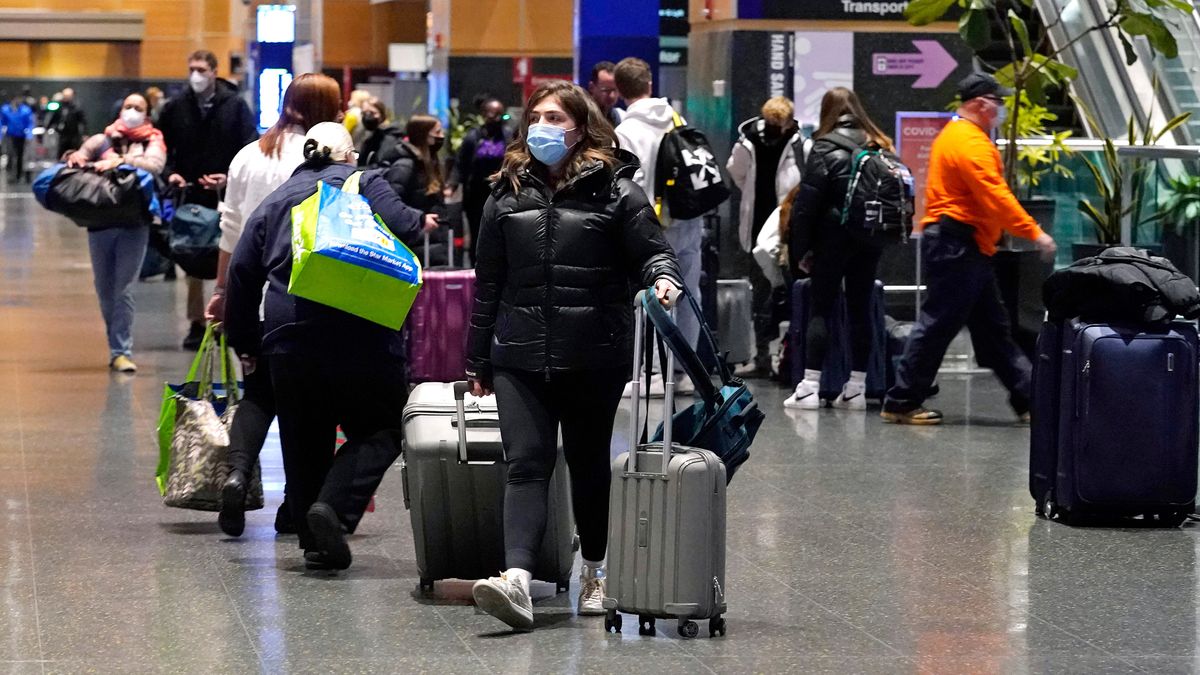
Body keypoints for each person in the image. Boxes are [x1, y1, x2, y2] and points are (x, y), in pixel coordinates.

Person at [465, 80, 683, 631]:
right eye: (536, 116)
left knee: (588, 465)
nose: (543, 126)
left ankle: (595, 571)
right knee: (526, 464)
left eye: (556, 117)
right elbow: (487, 282)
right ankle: (516, 579)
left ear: (581, 127)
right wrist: (477, 359)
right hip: (518, 351)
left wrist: (662, 281)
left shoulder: (617, 192)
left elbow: (655, 253)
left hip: (594, 352)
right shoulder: (504, 194)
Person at [224, 123, 438, 570]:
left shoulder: (276, 200)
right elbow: (407, 228)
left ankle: (314, 541)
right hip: (364, 328)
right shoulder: (364, 182)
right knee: (383, 427)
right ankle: (333, 510)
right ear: (349, 156)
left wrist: (246, 341)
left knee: (305, 437)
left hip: (290, 332)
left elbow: (241, 275)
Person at [205, 73, 345, 538]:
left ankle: (236, 474)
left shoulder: (249, 155)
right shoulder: (327, 160)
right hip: (310, 300)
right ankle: (296, 505)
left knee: (260, 393)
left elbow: (230, 231)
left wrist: (222, 292)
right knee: (311, 407)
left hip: (254, 296)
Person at [883, 73, 1057, 425]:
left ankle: (1029, 399)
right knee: (937, 326)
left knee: (993, 330)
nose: (1002, 109)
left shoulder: (956, 135)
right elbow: (993, 193)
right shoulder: (970, 142)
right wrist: (1032, 232)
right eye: (998, 101)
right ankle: (901, 401)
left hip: (965, 246)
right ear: (982, 103)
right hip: (958, 246)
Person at [782, 87, 895, 411]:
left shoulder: (824, 147)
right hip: (869, 238)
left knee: (822, 308)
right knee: (861, 308)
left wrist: (799, 250)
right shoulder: (879, 144)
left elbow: (806, 205)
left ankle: (809, 387)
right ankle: (857, 388)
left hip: (831, 240)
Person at [157, 49, 258, 350]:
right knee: (193, 259)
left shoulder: (235, 106)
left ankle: (225, 317)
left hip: (227, 193)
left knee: (227, 256)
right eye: (192, 69)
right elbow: (162, 147)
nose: (195, 75)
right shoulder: (176, 107)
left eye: (201, 69)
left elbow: (248, 147)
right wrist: (169, 173)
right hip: (190, 193)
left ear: (214, 71)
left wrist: (230, 178)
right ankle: (196, 322)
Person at [612, 56, 699, 397]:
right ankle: (686, 371)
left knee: (652, 295)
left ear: (620, 91)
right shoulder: (678, 119)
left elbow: (629, 183)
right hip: (688, 218)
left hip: (649, 224)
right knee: (688, 292)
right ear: (650, 84)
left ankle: (654, 374)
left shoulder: (625, 132)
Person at [65, 93, 167, 372]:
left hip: (134, 223)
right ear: (119, 109)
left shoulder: (152, 139)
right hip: (101, 222)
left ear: (147, 114)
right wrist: (77, 158)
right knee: (103, 287)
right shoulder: (103, 139)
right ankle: (116, 343)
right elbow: (81, 156)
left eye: (139, 107)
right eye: (128, 106)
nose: (132, 111)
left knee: (123, 288)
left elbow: (155, 165)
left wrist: (121, 161)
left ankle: (121, 350)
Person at [727, 96, 809, 375]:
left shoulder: (800, 145)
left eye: (780, 123)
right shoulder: (748, 141)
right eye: (771, 122)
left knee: (786, 292)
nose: (775, 128)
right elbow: (736, 173)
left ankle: (786, 355)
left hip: (786, 228)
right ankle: (762, 356)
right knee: (761, 292)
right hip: (756, 225)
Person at [377, 115, 448, 265]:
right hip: (417, 243)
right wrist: (419, 219)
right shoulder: (406, 165)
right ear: (424, 134)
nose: (441, 136)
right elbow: (392, 205)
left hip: (428, 242)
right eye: (437, 132)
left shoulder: (427, 163)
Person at [454, 96, 512, 263]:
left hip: (502, 193)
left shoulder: (508, 136)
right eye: (492, 114)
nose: (496, 118)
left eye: (499, 114)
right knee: (476, 231)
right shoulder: (473, 136)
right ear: (484, 114)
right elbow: (461, 162)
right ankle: (475, 266)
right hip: (476, 194)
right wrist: (453, 184)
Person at [356, 97, 403, 167]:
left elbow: (381, 163)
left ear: (382, 114)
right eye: (364, 113)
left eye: (372, 113)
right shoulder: (370, 137)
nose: (367, 116)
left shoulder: (389, 137)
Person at [1, 94, 34, 182]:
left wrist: (29, 135)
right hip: (10, 135)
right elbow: (2, 123)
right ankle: (10, 175)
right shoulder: (5, 109)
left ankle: (19, 175)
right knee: (10, 155)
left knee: (20, 156)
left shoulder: (25, 110)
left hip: (21, 136)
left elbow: (30, 123)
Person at [586, 61, 623, 128]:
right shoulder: (579, 116)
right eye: (605, 90)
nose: (612, 95)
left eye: (615, 90)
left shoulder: (621, 117)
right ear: (591, 87)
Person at [51, 87, 87, 154]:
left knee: (72, 152)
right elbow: (54, 117)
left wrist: (85, 134)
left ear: (72, 96)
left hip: (73, 135)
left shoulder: (77, 106)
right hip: (62, 135)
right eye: (64, 95)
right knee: (61, 153)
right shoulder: (60, 106)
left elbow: (83, 121)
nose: (66, 97)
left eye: (68, 95)